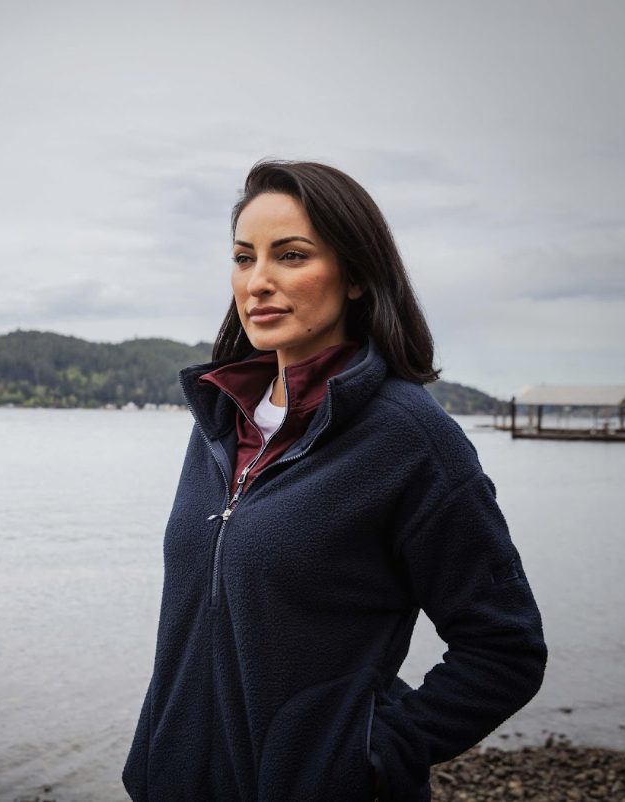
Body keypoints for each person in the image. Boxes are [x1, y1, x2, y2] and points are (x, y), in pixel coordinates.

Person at [121, 160, 547, 802]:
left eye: (290, 256)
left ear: (355, 275)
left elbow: (504, 647)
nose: (258, 282)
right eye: (244, 258)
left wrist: (371, 757)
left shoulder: (409, 437)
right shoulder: (222, 415)